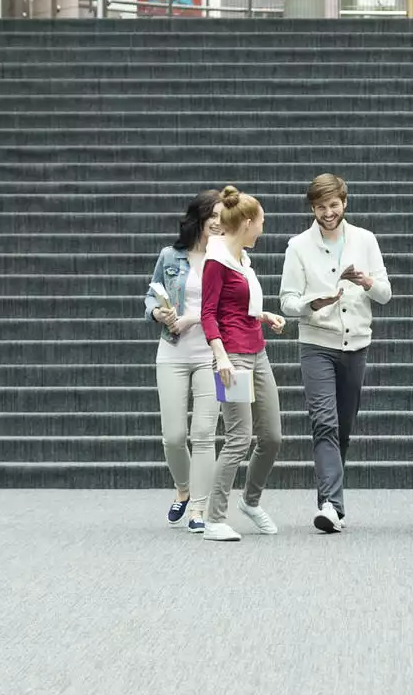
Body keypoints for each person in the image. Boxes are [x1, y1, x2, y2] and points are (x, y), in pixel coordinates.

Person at [279, 173, 392, 534]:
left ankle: (333, 501)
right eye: (320, 207)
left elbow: (386, 294)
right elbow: (287, 302)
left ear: (344, 202)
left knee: (342, 427)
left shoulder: (365, 240)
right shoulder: (298, 245)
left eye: (333, 205)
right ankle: (330, 503)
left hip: (356, 343)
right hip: (317, 343)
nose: (328, 212)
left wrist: (367, 281)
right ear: (312, 208)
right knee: (323, 422)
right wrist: (315, 302)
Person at [199, 186, 285, 541]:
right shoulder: (216, 261)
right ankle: (214, 518)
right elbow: (209, 314)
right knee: (238, 437)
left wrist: (264, 315)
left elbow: (238, 307)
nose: (263, 228)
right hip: (231, 356)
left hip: (256, 349)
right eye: (261, 222)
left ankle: (250, 501)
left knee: (272, 436)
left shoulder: (243, 261)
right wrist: (220, 357)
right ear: (248, 223)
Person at [146, 189, 223, 533]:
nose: (221, 223)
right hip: (172, 351)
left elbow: (234, 307)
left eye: (225, 217)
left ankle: (200, 509)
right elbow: (151, 294)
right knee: (174, 436)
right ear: (201, 218)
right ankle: (183, 488)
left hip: (215, 354)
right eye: (215, 217)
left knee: (205, 434)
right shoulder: (170, 255)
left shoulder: (230, 258)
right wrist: (158, 312)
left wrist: (194, 316)